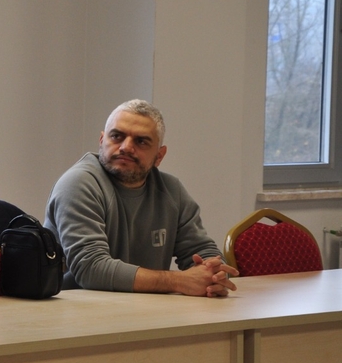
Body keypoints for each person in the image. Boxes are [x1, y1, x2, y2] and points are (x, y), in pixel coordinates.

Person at [43, 99, 238, 298]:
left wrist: (214, 275)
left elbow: (202, 250)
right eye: (116, 136)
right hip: (80, 310)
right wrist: (179, 281)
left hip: (148, 310)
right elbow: (91, 268)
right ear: (102, 141)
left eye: (141, 141)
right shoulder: (78, 183)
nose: (126, 147)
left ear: (159, 156)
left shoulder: (172, 190)